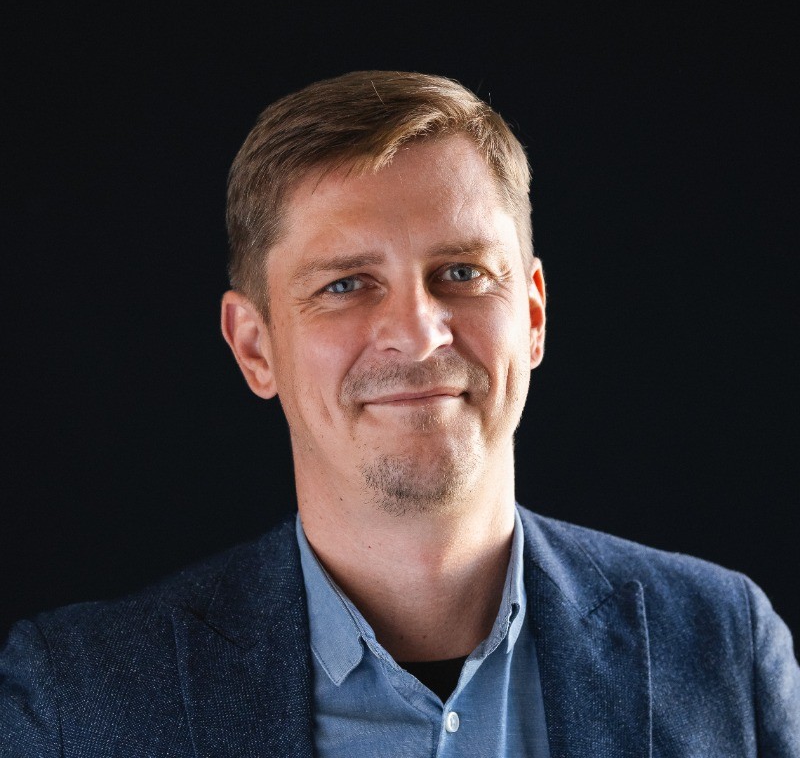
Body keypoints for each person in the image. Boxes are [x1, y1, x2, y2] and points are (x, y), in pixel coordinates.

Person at [1, 70, 798, 756]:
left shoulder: (722, 647)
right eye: (346, 284)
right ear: (255, 347)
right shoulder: (80, 699)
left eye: (462, 271)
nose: (418, 333)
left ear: (532, 316)